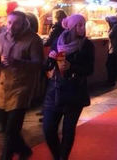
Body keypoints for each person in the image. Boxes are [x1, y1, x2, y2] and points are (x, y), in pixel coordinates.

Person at [0, 10, 43, 160]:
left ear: (24, 23)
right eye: (9, 22)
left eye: (16, 23)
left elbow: (38, 64)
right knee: (4, 128)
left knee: (11, 130)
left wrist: (17, 62)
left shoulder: (33, 39)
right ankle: (24, 150)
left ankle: (6, 157)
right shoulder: (2, 37)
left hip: (21, 88)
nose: (11, 26)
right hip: (4, 87)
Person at [42, 14, 94, 160]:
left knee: (68, 130)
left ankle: (63, 157)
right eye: (79, 25)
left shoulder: (87, 45)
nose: (82, 28)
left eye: (83, 24)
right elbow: (46, 67)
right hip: (55, 90)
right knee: (48, 129)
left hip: (75, 91)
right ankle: (58, 156)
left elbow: (89, 70)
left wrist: (72, 67)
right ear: (71, 27)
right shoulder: (58, 42)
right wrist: (50, 59)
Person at [105, 16, 117, 86]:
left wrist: (108, 30)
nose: (108, 23)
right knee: (111, 64)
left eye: (109, 21)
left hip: (113, 49)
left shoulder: (115, 27)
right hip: (113, 49)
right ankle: (112, 80)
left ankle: (111, 80)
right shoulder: (116, 27)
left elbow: (110, 35)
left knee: (110, 65)